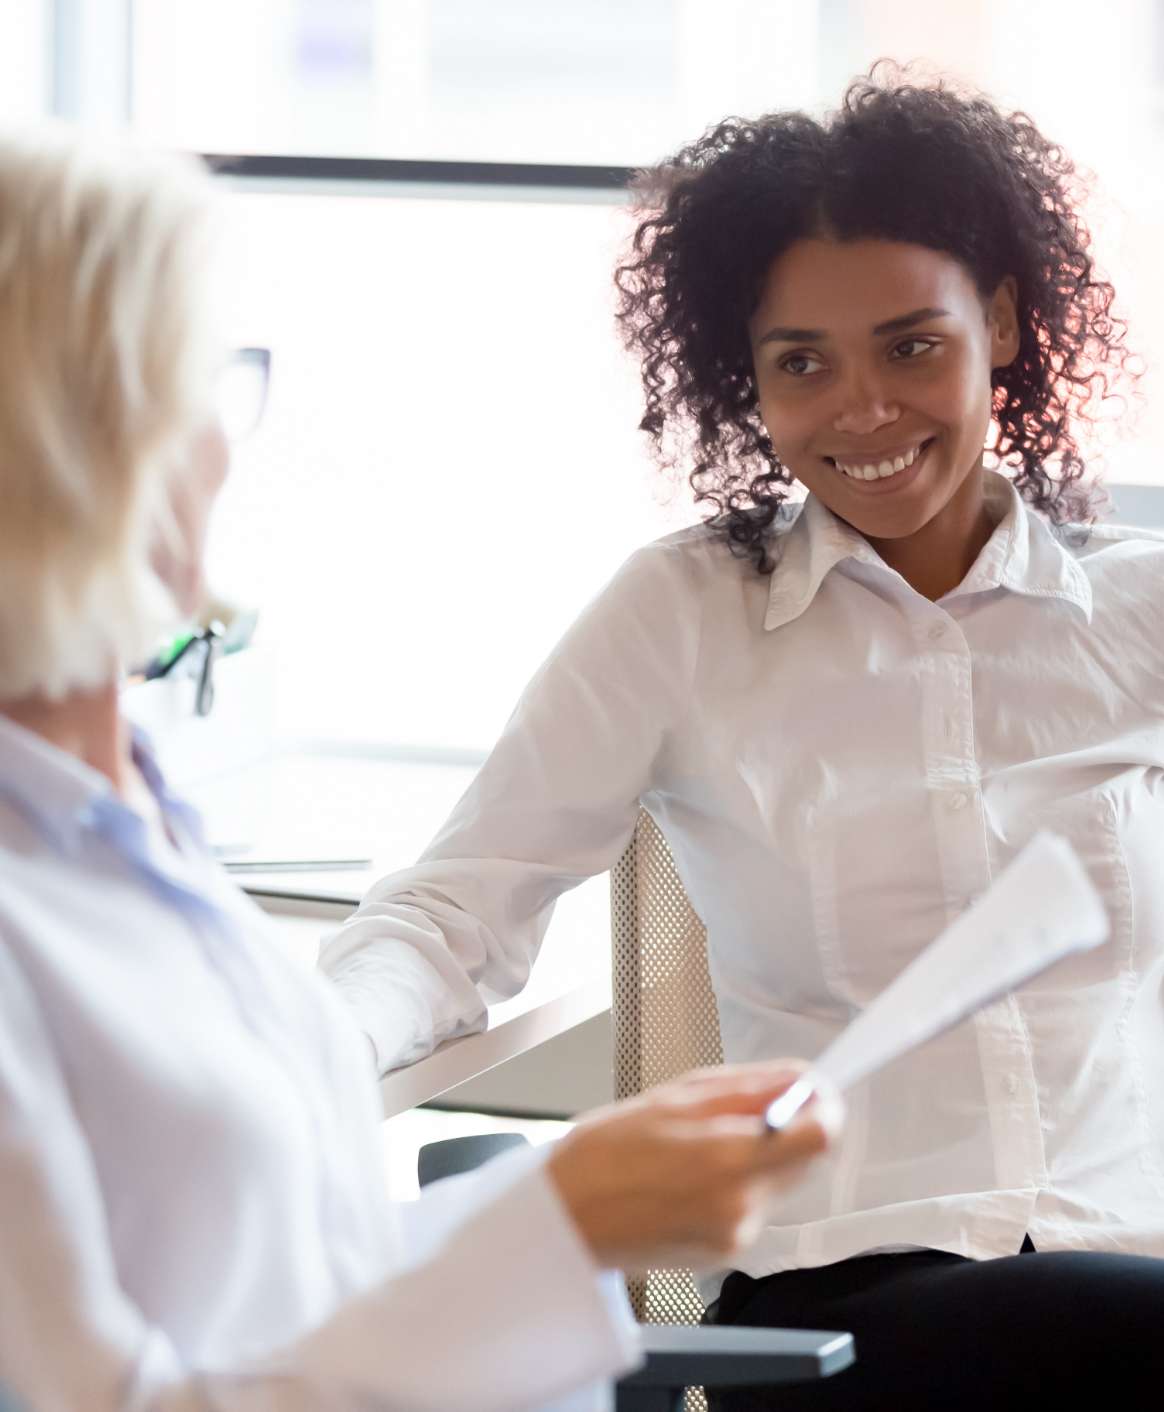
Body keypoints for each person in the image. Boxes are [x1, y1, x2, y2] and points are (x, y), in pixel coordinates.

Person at [319, 68, 1164, 1408]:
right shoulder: (686, 615)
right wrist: (289, 1050)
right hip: (852, 1299)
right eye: (802, 366)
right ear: (743, 380)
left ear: (999, 322)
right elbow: (453, 914)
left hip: (1131, 1244)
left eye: (911, 345)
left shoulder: (1137, 609)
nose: (863, 410)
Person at [0, 126, 842, 1412]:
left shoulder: (129, 824)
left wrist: (575, 1209)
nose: (228, 449)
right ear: (66, 448)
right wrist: (554, 1223)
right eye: (196, 388)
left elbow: (300, 1294)